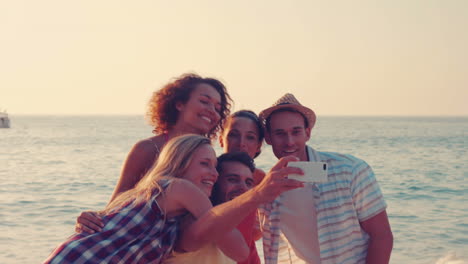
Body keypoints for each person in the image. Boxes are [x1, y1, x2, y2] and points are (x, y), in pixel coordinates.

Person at [45, 134, 305, 264]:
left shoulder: (156, 196)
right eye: (205, 164)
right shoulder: (180, 188)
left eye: (215, 167)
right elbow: (236, 247)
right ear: (179, 162)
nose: (213, 174)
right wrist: (258, 195)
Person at [76, 73, 232, 233]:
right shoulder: (147, 148)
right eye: (204, 101)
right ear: (179, 104)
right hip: (143, 243)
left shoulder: (210, 158)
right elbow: (118, 202)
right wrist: (90, 219)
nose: (212, 111)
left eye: (217, 108)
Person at [257, 93, 393, 264]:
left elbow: (381, 236)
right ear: (268, 138)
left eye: (296, 132)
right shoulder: (267, 189)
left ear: (308, 133)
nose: (289, 141)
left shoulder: (350, 170)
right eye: (280, 133)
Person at [164, 151, 259, 264]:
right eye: (233, 179)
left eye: (248, 183)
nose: (243, 188)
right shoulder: (189, 220)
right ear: (213, 182)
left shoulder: (233, 225)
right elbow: (240, 253)